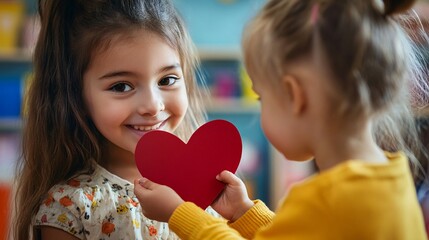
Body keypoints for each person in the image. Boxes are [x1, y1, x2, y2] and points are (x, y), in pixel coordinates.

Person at [134, 0, 429, 239]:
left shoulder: (324, 199)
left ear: (294, 95)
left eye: (262, 97)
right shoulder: (393, 177)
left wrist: (179, 214)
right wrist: (245, 213)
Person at [12, 0, 212, 239]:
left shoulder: (208, 182)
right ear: (76, 96)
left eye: (167, 80)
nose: (152, 105)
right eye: (121, 86)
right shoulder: (71, 207)